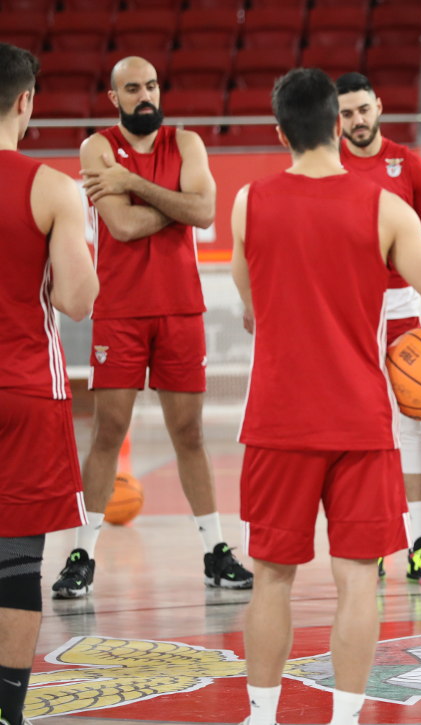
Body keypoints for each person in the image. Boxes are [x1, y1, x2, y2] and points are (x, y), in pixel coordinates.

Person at [231, 68, 421, 725]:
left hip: (276, 418)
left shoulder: (249, 202)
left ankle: (262, 716)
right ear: (336, 124)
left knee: (272, 577)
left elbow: (249, 308)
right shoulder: (385, 207)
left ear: (280, 133)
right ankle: (348, 716)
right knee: (359, 579)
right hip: (360, 416)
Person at [51, 56, 252, 599]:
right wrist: (182, 206)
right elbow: (122, 223)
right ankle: (81, 554)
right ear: (114, 98)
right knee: (107, 434)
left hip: (180, 308)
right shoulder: (96, 148)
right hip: (119, 309)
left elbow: (208, 211)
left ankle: (215, 550)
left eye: (153, 86)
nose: (146, 96)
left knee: (189, 434)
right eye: (133, 88)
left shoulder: (186, 144)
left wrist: (135, 184)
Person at [0, 42, 99, 725]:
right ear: (26, 101)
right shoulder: (52, 188)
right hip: (24, 387)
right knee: (14, 565)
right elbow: (77, 301)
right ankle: (7, 710)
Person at [335, 72, 421, 587]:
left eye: (364, 109)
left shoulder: (408, 164)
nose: (357, 120)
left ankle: (420, 543)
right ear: (334, 118)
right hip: (345, 310)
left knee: (412, 423)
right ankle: (377, 540)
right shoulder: (327, 165)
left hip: (401, 302)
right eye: (346, 113)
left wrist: (396, 249)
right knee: (360, 429)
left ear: (379, 106)